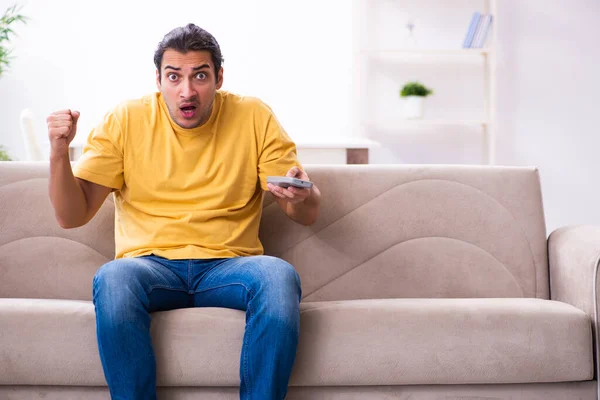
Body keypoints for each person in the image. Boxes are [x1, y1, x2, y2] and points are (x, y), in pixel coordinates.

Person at [46, 23, 321, 400]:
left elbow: (304, 213)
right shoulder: (126, 119)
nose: (186, 91)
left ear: (219, 77)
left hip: (229, 265)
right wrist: (59, 151)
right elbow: (71, 216)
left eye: (200, 76)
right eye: (174, 77)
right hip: (149, 265)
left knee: (277, 277)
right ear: (158, 79)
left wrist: (299, 195)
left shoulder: (254, 116)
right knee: (114, 278)